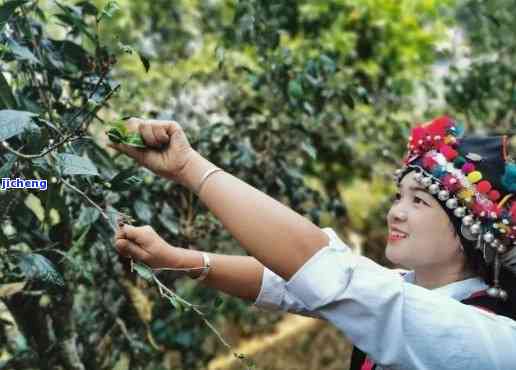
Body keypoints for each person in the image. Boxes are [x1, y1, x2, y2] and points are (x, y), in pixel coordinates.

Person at [110, 116, 516, 370]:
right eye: (398, 197)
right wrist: (173, 258)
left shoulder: (487, 337)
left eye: (419, 201)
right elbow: (286, 285)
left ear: (469, 233)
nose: (396, 212)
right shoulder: (410, 288)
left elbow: (328, 271)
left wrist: (188, 167)